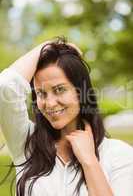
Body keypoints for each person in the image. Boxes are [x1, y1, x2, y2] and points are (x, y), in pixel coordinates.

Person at [0, 37, 133, 196]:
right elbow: (6, 85)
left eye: (59, 90)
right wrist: (52, 45)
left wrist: (89, 161)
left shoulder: (118, 154)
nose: (49, 103)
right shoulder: (26, 143)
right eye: (41, 93)